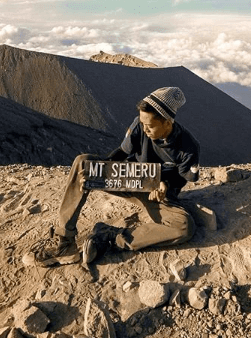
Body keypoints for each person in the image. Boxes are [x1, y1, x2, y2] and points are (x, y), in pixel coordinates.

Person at [27, 86, 200, 267]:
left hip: (156, 194)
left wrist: (165, 185)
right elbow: (120, 154)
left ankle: (110, 236)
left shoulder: (188, 147)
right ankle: (65, 242)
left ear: (167, 122)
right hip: (127, 179)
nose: (144, 129)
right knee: (83, 163)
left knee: (184, 227)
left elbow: (182, 179)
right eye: (142, 123)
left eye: (149, 125)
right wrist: (100, 171)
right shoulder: (139, 126)